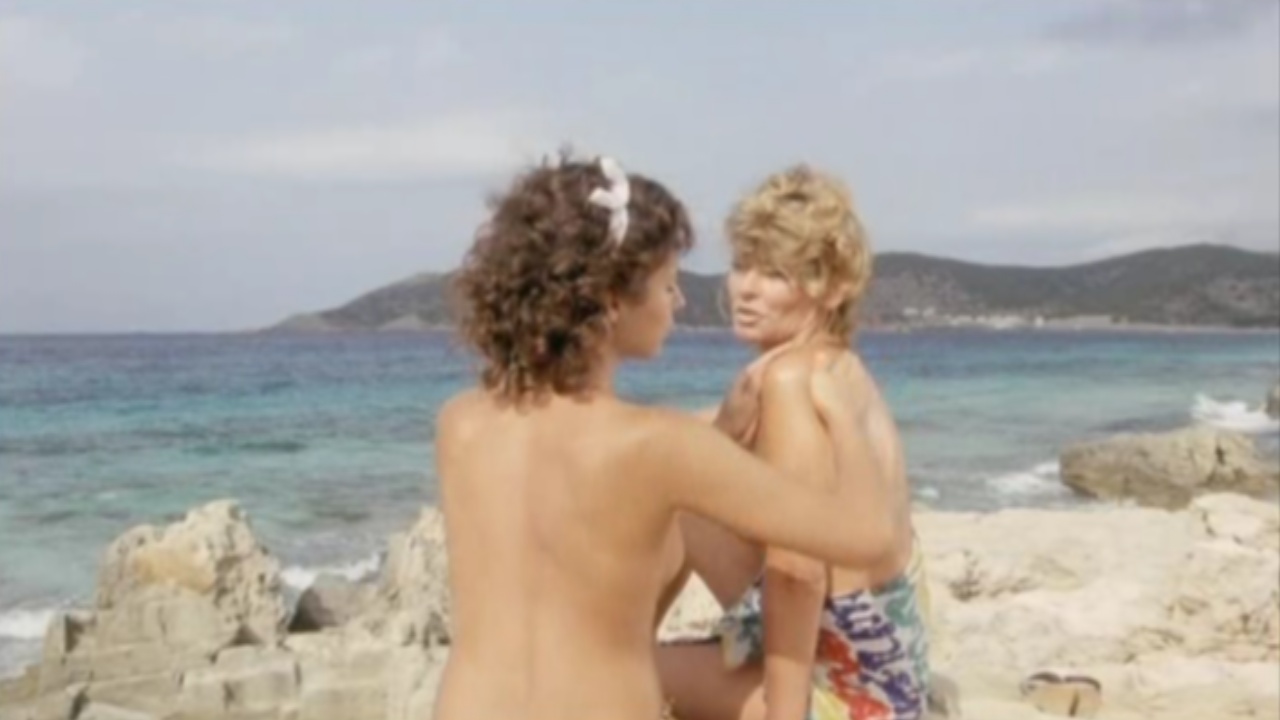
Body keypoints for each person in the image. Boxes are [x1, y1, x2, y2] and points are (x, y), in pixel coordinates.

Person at [431, 154, 896, 720]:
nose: (678, 301)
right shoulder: (660, 446)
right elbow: (867, 533)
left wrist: (721, 433)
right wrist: (843, 416)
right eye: (667, 284)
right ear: (611, 301)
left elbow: (597, 570)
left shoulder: (458, 424)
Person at [657, 165, 931, 720]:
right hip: (894, 677)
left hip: (846, 697)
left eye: (775, 273)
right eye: (742, 265)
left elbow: (797, 572)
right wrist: (723, 431)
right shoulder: (837, 369)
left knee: (614, 677)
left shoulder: (791, 383)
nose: (746, 288)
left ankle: (625, 643)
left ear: (833, 288)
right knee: (675, 460)